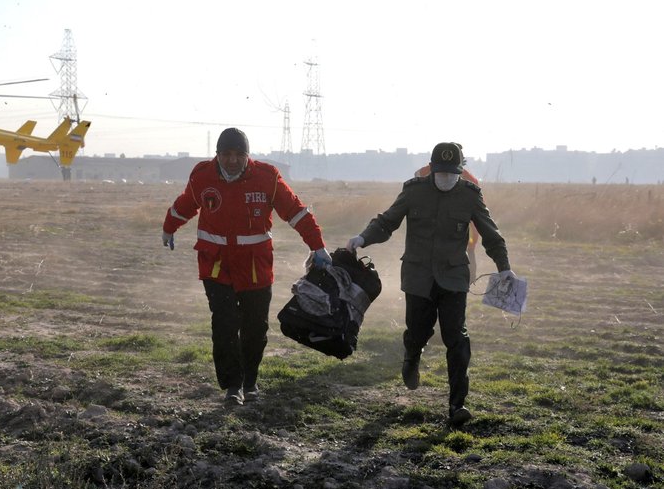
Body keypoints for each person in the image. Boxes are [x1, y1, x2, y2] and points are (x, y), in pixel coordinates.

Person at [346, 142, 516, 426]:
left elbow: (492, 235)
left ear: (460, 172)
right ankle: (411, 357)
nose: (446, 180)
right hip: (418, 276)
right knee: (417, 331)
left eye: (452, 175)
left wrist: (505, 268)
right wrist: (362, 239)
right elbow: (387, 222)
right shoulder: (413, 191)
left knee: (456, 338)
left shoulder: (471, 195)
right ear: (432, 169)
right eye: (441, 175)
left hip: (453, 277)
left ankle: (456, 405)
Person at [162, 127, 331, 406]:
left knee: (255, 327)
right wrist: (169, 228)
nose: (232, 160)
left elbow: (295, 211)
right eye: (226, 154)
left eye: (238, 154)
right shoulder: (202, 176)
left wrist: (317, 245)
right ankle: (232, 386)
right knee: (225, 324)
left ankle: (250, 381)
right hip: (215, 265)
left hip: (255, 267)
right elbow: (186, 204)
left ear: (247, 156)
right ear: (216, 155)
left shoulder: (267, 177)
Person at [414, 163, 481, 281]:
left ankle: (466, 280)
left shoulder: (466, 177)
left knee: (465, 251)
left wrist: (435, 165)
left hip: (462, 226)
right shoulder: (469, 177)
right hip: (463, 226)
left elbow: (417, 175)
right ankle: (467, 280)